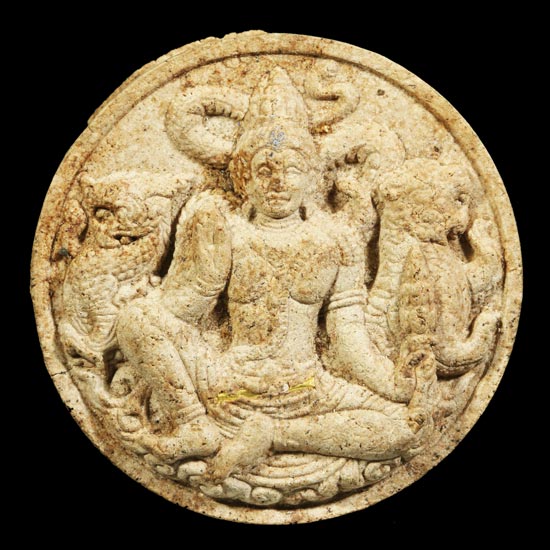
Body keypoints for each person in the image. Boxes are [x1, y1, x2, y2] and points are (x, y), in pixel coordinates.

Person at [117, 68, 436, 483]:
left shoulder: (337, 240)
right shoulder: (227, 230)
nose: (278, 182)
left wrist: (394, 385)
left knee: (407, 429)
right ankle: (193, 423)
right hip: (227, 384)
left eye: (292, 169)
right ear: (244, 178)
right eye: (264, 170)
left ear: (313, 178)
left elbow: (347, 337)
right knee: (136, 319)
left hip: (308, 387)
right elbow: (183, 312)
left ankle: (273, 436)